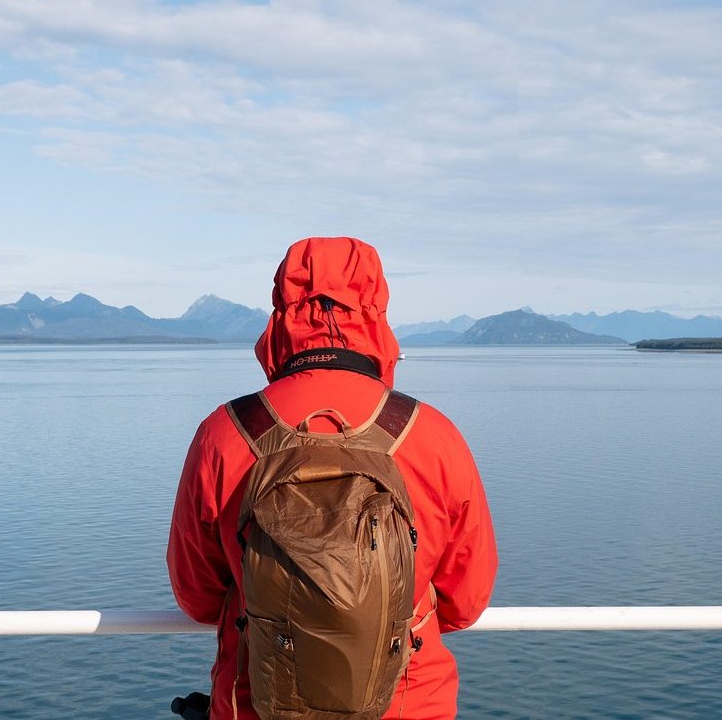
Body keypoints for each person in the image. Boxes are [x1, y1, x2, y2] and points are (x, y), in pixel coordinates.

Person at [168, 237, 497, 719]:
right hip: (408, 705)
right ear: (378, 313)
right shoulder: (432, 435)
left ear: (279, 314)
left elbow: (196, 597)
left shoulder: (225, 434)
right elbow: (464, 603)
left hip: (255, 703)